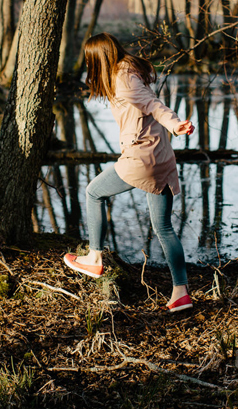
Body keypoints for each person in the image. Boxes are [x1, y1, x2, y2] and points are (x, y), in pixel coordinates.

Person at [63, 33, 195, 312]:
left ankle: (95, 258)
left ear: (98, 58)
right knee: (163, 227)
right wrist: (174, 126)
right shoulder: (131, 70)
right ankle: (181, 292)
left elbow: (152, 104)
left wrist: (174, 123)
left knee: (93, 192)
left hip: (142, 158)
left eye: (90, 61)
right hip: (161, 157)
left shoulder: (123, 77)